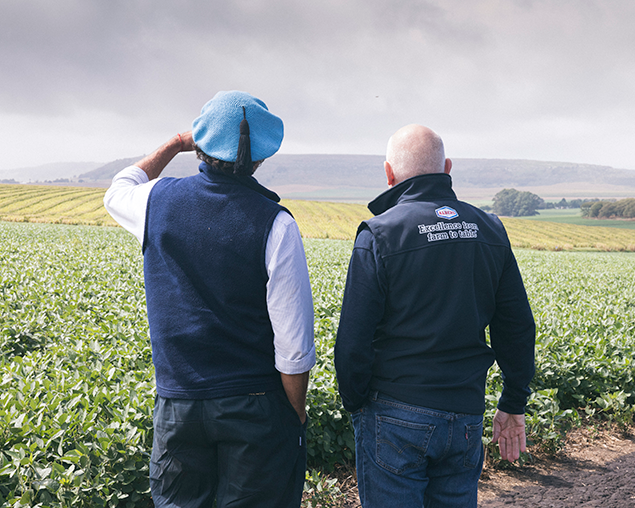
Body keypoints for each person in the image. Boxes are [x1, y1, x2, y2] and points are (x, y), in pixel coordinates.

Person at [103, 91, 315, 508]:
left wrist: (174, 144)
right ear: (261, 158)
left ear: (200, 145)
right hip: (255, 405)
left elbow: (118, 188)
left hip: (178, 404)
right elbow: (294, 346)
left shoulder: (155, 202)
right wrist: (295, 414)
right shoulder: (276, 223)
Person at [334, 124, 536, 507]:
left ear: (389, 174)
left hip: (394, 412)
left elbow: (352, 341)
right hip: (464, 414)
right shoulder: (490, 229)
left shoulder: (379, 234)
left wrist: (357, 404)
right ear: (447, 167)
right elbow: (517, 327)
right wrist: (513, 402)